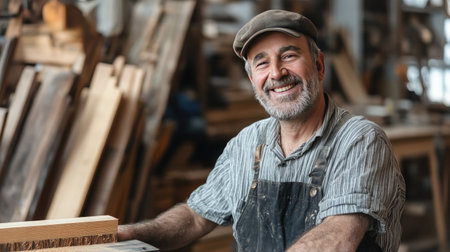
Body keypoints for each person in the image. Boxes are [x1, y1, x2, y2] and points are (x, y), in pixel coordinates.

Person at [118, 9, 405, 252]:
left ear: (318, 66)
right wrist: (131, 235)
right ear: (252, 78)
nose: (277, 73)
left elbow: (339, 234)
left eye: (289, 55)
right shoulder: (246, 144)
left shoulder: (359, 140)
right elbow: (195, 217)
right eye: (262, 62)